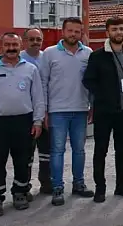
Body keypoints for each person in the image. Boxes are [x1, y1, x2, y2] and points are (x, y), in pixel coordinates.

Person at [0, 32, 44, 217]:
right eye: (7, 44)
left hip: (23, 121)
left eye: (15, 44)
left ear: (21, 46)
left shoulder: (30, 69)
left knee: (23, 159)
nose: (11, 48)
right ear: (1, 47)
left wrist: (37, 121)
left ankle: (20, 192)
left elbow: (37, 97)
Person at [82, 16, 123, 202]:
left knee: (122, 149)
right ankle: (100, 188)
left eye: (121, 29)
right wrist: (104, 95)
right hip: (104, 111)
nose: (118, 32)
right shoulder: (97, 56)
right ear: (107, 32)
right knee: (101, 150)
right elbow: (88, 80)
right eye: (114, 29)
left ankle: (121, 185)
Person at [40, 18, 95, 206]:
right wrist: (44, 111)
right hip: (57, 111)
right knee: (57, 151)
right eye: (70, 31)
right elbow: (42, 83)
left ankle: (79, 184)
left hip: (80, 109)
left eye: (77, 31)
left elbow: (92, 84)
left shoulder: (87, 53)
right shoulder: (49, 54)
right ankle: (57, 187)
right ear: (62, 32)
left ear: (81, 33)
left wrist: (91, 106)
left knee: (79, 150)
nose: (73, 34)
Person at [20, 26, 51, 197]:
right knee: (27, 154)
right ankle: (25, 187)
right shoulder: (19, 59)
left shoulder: (46, 58)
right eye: (31, 39)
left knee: (47, 152)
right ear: (24, 41)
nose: (35, 43)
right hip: (26, 114)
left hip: (46, 112)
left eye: (38, 39)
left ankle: (46, 183)